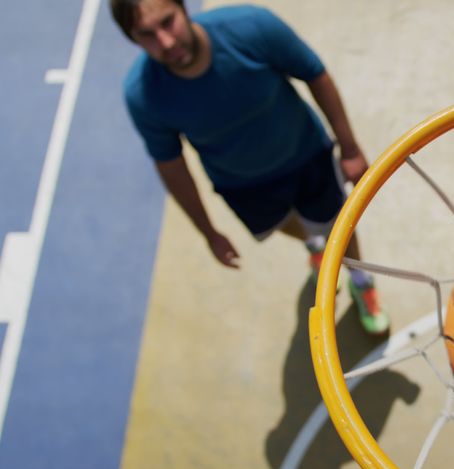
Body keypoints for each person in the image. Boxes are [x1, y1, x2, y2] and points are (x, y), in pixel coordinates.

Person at [111, 0, 388, 334]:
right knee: (294, 227)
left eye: (168, 22)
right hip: (242, 185)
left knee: (338, 225)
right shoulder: (143, 95)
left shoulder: (251, 26)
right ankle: (316, 245)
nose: (166, 42)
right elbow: (171, 164)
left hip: (306, 155)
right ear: (133, 39)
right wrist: (208, 232)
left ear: (183, 9)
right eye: (148, 35)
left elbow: (314, 73)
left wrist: (350, 148)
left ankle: (360, 278)